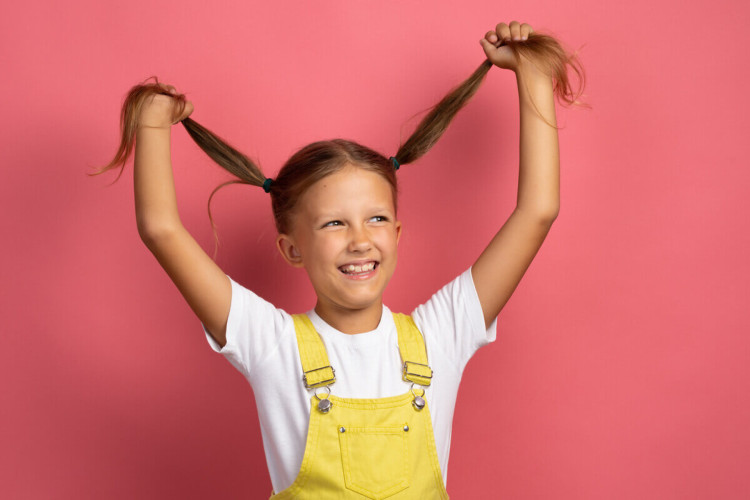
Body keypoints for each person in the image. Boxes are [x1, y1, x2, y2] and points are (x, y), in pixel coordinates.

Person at [92, 20, 586, 498]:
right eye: (333, 223)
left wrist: (532, 73)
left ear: (397, 233)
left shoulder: (442, 335)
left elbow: (537, 211)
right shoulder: (271, 343)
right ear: (291, 248)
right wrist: (153, 123)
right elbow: (161, 229)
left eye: (375, 220)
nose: (359, 240)